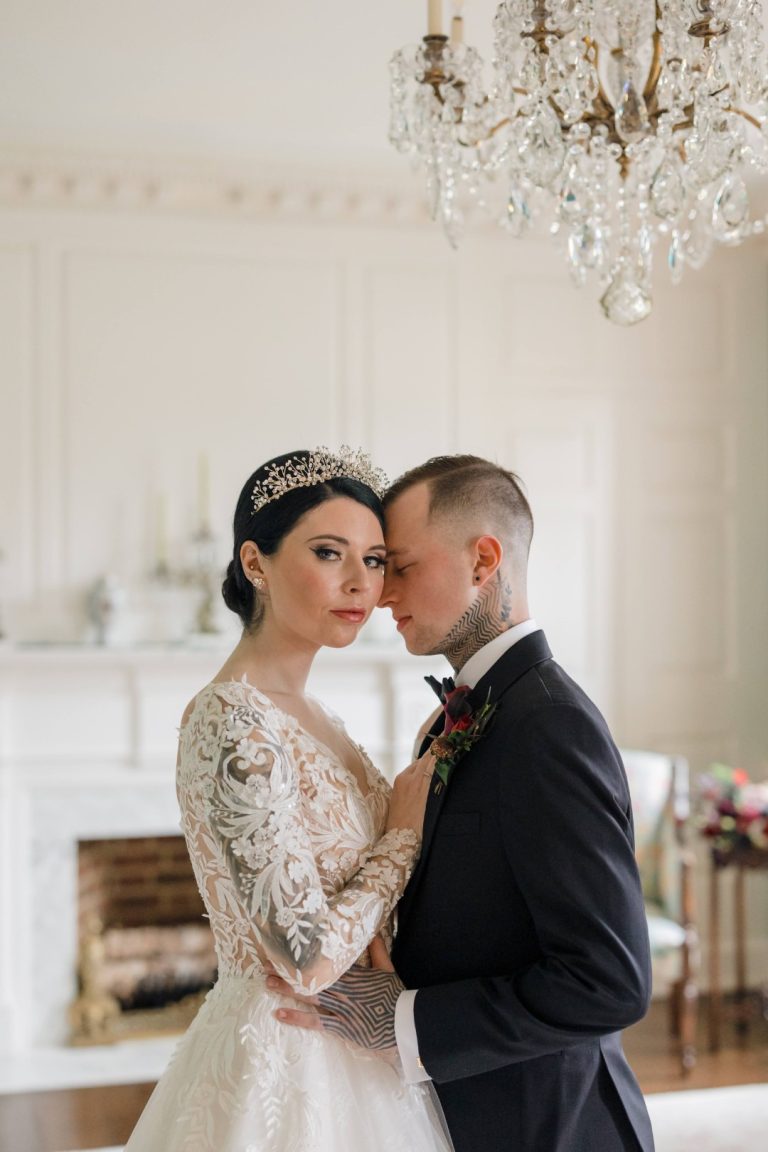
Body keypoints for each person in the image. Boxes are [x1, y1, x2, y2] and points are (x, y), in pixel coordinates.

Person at [271, 455, 656, 1152]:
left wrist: (403, 1022)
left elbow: (610, 982)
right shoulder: (466, 712)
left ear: (483, 560)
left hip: (552, 1125)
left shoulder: (548, 725)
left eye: (404, 566)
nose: (383, 594)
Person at [124, 448, 452, 1152]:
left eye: (374, 560)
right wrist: (402, 833)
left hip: (355, 1044)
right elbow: (302, 957)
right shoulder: (232, 718)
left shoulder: (317, 714)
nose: (360, 583)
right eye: (329, 553)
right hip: (284, 1056)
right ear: (254, 563)